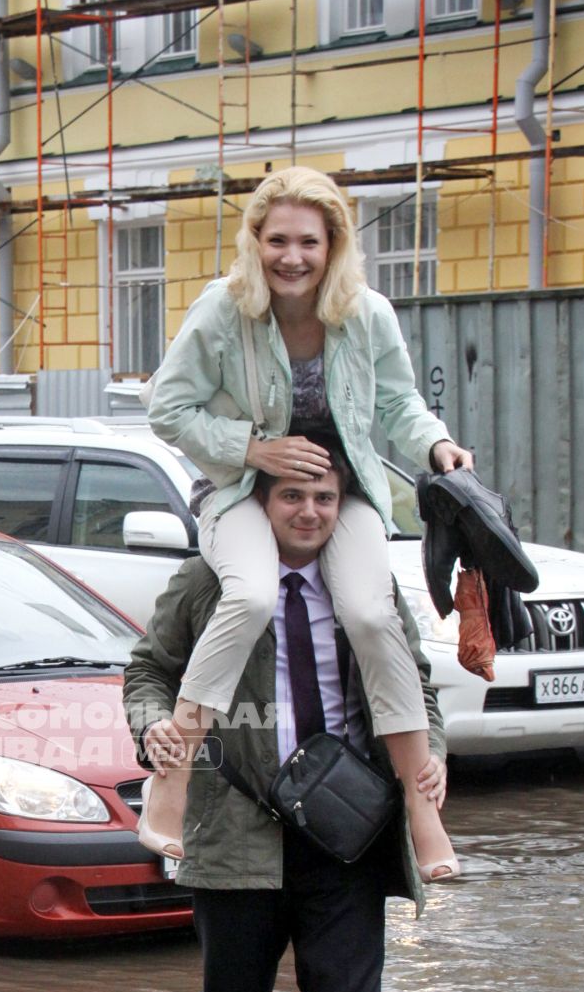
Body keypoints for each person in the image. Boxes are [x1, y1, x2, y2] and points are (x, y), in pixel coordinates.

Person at [139, 165, 468, 881]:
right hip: (244, 491)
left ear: (334, 244)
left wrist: (437, 447)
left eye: (309, 242)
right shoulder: (224, 310)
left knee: (371, 614)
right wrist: (253, 448)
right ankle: (169, 783)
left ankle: (421, 805)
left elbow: (398, 406)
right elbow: (167, 408)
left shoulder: (366, 312)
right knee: (252, 595)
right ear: (254, 241)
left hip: (339, 493)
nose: (292, 257)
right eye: (277, 239)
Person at [123, 463, 447, 992]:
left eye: (324, 498)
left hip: (347, 835)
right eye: (292, 497)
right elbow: (148, 670)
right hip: (237, 834)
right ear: (260, 504)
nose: (309, 512)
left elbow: (413, 681)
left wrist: (435, 756)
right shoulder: (211, 580)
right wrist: (153, 726)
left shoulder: (365, 585)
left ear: (343, 506)